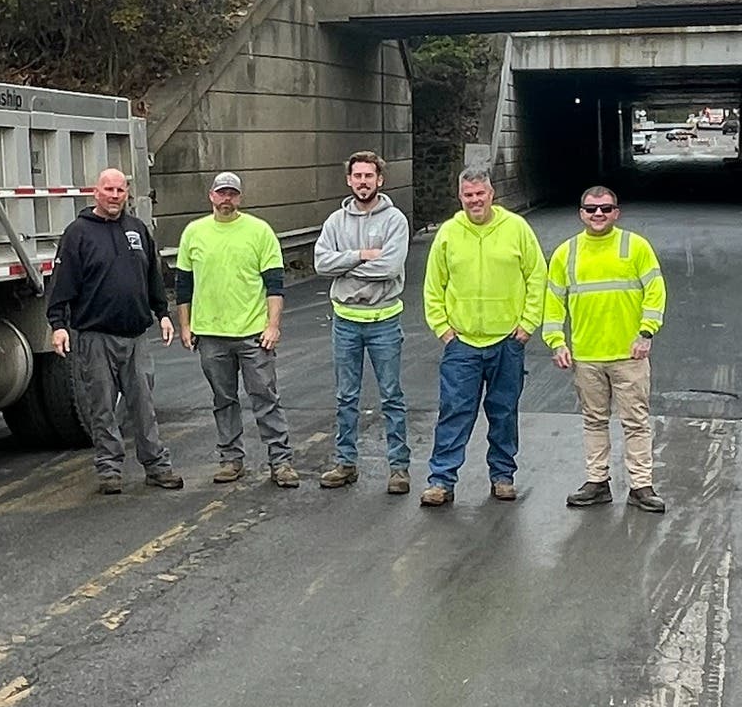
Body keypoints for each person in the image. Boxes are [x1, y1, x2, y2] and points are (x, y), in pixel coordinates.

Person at [46, 167, 184, 494]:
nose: (114, 196)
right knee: (102, 405)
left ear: (127, 194)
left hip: (135, 336)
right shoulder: (77, 234)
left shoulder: (136, 230)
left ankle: (156, 466)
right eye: (108, 190)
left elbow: (153, 276)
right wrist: (58, 326)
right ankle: (109, 470)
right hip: (94, 337)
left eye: (120, 190)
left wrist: (162, 313)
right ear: (95, 192)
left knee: (143, 405)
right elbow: (61, 285)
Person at [420, 166, 546, 506]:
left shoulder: (516, 229)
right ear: (460, 197)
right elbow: (434, 286)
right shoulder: (448, 233)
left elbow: (537, 277)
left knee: (503, 412)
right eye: (468, 195)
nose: (475, 200)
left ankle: (502, 476)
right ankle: (441, 481)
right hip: (462, 344)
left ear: (492, 194)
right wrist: (444, 331)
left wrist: (527, 324)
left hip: (507, 341)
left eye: (480, 194)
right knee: (454, 412)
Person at [542, 186, 667, 514]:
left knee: (636, 421)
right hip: (587, 355)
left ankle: (641, 486)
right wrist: (556, 342)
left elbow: (655, 291)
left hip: (629, 354)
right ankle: (597, 482)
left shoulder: (635, 247)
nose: (598, 214)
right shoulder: (565, 253)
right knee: (594, 420)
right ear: (581, 212)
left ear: (617, 212)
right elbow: (553, 302)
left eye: (606, 209)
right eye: (591, 209)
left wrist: (646, 333)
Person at [176, 171, 300, 488]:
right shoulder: (194, 233)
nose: (226, 199)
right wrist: (185, 325)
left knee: (266, 398)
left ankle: (281, 462)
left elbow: (275, 283)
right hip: (210, 334)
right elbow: (183, 285)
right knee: (223, 400)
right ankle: (231, 459)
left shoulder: (259, 231)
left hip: (253, 334)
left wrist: (273, 326)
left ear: (240, 198)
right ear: (211, 196)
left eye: (232, 194)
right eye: (221, 193)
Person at [313, 151, 412, 495]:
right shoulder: (335, 222)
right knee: (345, 396)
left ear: (380, 180)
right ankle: (346, 463)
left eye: (369, 176)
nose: (363, 181)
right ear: (349, 180)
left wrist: (345, 267)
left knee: (391, 396)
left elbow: (389, 268)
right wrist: (360, 255)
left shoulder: (395, 220)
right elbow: (321, 264)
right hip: (345, 321)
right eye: (357, 176)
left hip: (384, 319)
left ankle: (399, 468)